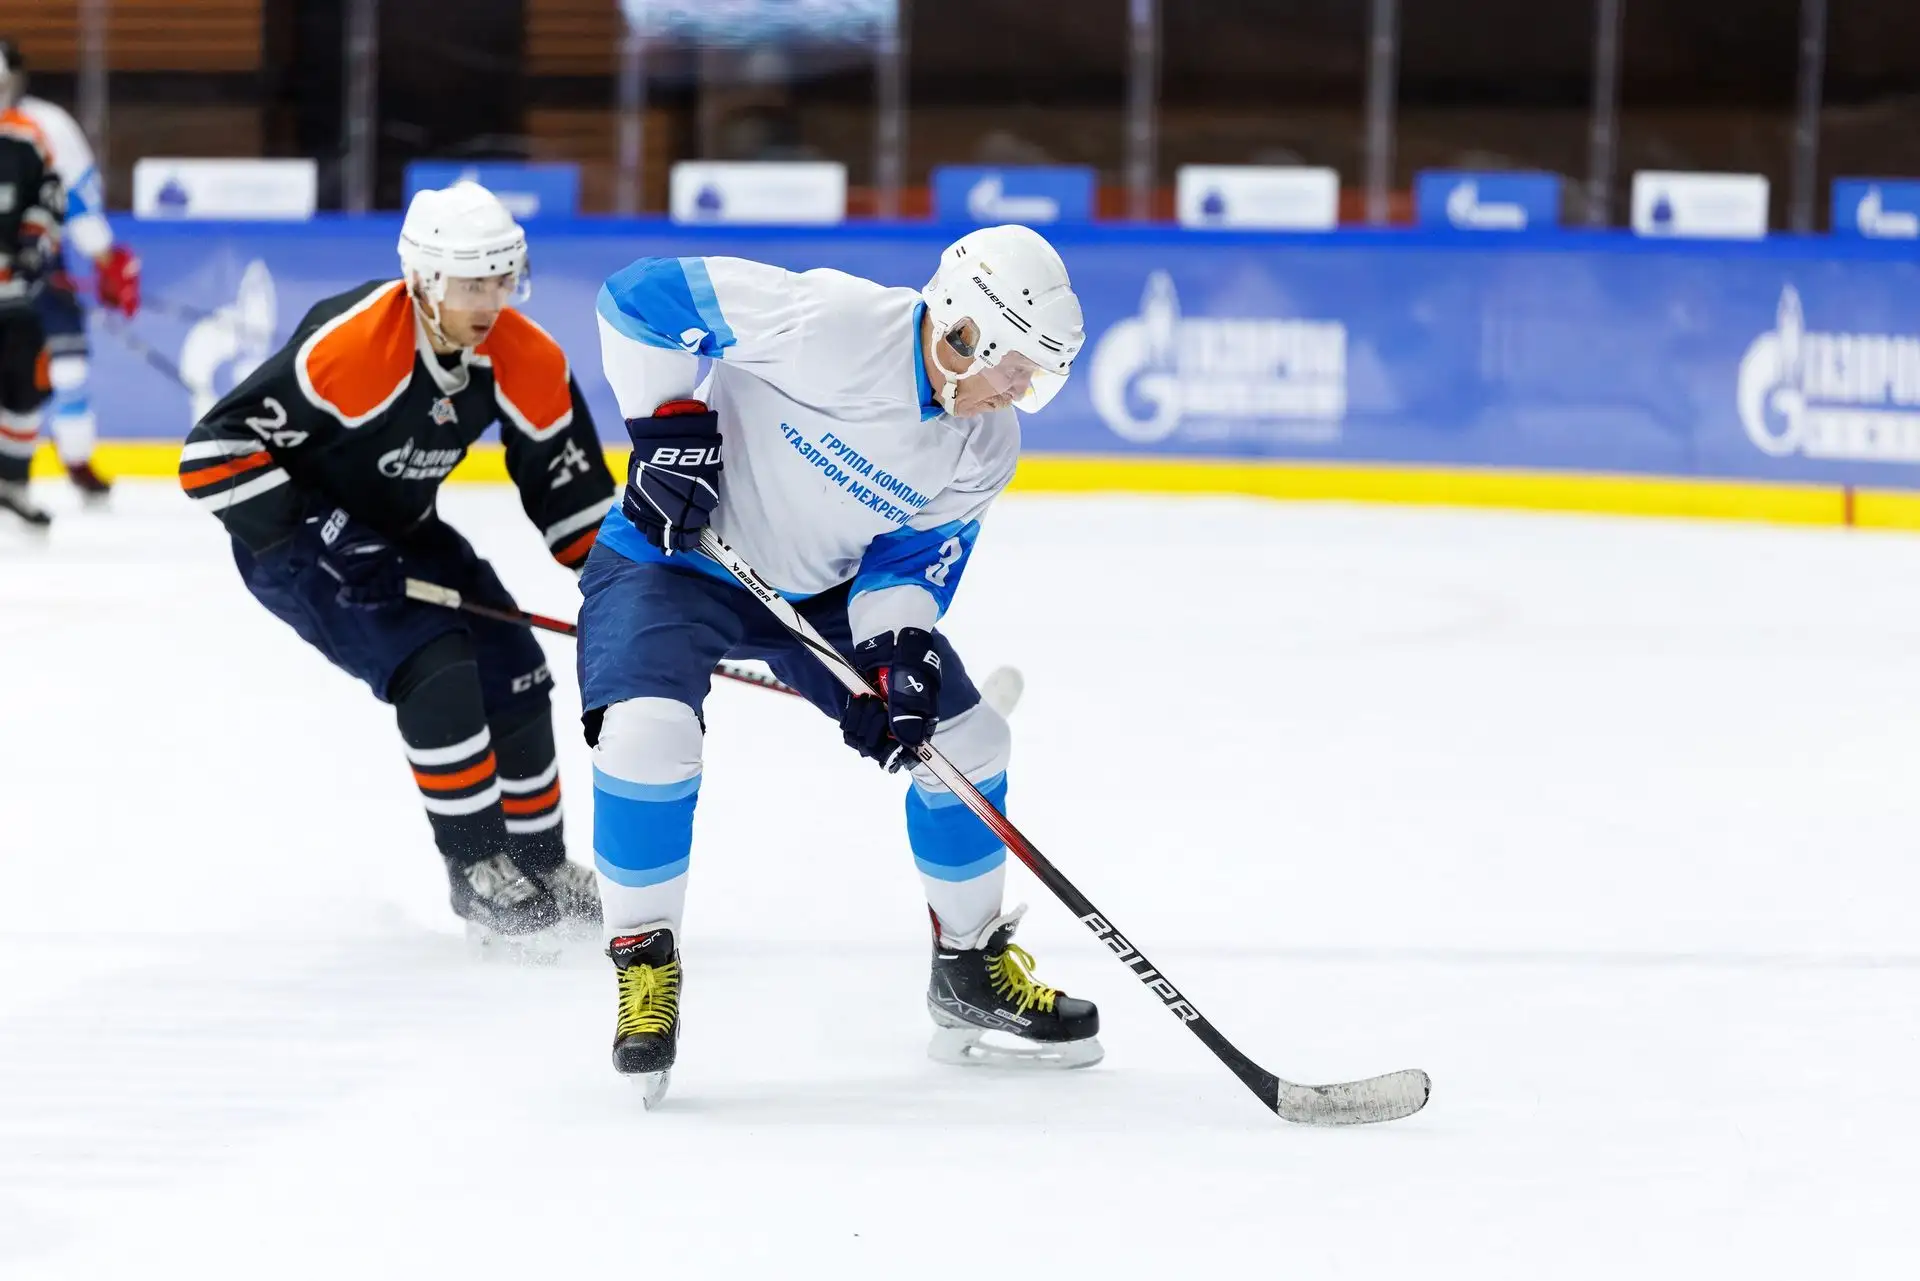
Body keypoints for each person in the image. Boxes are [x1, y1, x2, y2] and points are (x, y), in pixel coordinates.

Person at [580, 224, 1098, 1100]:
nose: (1020, 390)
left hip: (821, 593)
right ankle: (645, 962)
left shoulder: (985, 443)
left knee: (970, 745)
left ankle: (967, 970)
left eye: (1035, 377)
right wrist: (665, 431)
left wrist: (897, 658)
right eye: (1017, 366)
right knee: (644, 737)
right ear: (966, 330)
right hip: (674, 558)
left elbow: (906, 564)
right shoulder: (829, 322)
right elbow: (636, 298)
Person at [180, 181, 617, 942]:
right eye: (470, 284)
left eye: (502, 279)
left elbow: (573, 502)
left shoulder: (524, 354)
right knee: (434, 662)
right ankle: (476, 868)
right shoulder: (351, 348)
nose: (490, 302)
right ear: (422, 279)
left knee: (514, 665)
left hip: (406, 533)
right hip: (298, 549)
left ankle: (539, 862)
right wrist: (325, 533)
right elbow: (211, 456)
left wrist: (631, 593)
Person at [0, 38, 139, 501]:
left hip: (32, 262)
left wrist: (104, 259)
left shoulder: (47, 125)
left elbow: (73, 197)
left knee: (67, 360)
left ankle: (75, 457)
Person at [0, 79, 63, 531]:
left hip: (13, 295)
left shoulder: (26, 138)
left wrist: (33, 245)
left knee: (24, 384)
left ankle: (13, 482)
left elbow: (49, 197)